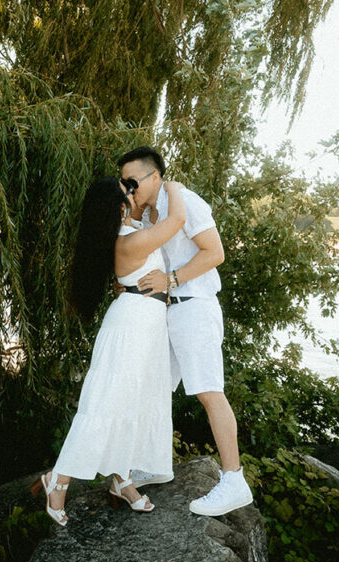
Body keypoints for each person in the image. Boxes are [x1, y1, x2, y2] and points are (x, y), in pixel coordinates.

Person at [31, 175, 186, 526]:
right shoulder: (130, 241)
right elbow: (177, 221)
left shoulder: (132, 233)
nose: (136, 193)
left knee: (136, 401)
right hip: (132, 325)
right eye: (129, 192)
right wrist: (171, 186)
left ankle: (122, 478)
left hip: (146, 325)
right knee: (108, 402)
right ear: (119, 206)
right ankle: (59, 479)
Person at [118, 146, 254, 517]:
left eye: (133, 183)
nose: (129, 191)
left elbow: (215, 252)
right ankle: (154, 465)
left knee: (209, 391)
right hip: (167, 314)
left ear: (155, 177)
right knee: (155, 388)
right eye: (124, 185)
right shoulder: (146, 216)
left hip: (194, 307)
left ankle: (233, 480)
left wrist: (171, 279)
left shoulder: (186, 202)